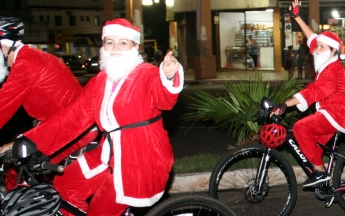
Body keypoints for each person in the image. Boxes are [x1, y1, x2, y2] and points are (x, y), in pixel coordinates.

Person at [12, 18, 184, 215]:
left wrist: (168, 76)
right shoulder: (101, 80)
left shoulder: (145, 73)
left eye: (122, 42)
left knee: (100, 210)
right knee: (64, 185)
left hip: (140, 159)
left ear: (134, 46)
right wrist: (32, 142)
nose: (115, 48)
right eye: (109, 42)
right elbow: (74, 116)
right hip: (108, 153)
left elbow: (163, 96)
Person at [0, 16, 98, 190]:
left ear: (4, 48)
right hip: (64, 126)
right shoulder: (32, 57)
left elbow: (2, 106)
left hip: (73, 131)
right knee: (16, 170)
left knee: (19, 171)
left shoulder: (26, 64)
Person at [272, 0, 345, 187]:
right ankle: (328, 182)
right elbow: (312, 37)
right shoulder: (325, 58)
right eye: (317, 46)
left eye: (321, 47)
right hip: (330, 111)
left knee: (300, 128)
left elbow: (316, 90)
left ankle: (320, 173)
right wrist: (296, 17)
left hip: (338, 113)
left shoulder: (332, 69)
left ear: (333, 51)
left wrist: (285, 104)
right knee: (312, 148)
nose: (316, 49)